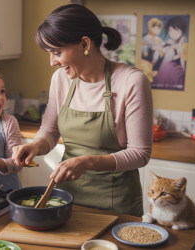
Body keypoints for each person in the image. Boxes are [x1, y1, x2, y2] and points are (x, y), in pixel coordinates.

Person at [12, 4, 153, 216]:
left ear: (84, 44)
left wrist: (87, 162)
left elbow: (140, 154)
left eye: (57, 52)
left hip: (116, 201)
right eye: (49, 53)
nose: (52, 62)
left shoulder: (131, 81)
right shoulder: (60, 79)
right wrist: (35, 146)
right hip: (65, 197)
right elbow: (50, 130)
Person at [152, 16, 187, 90]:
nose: (173, 34)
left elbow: (180, 57)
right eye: (170, 31)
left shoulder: (181, 43)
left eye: (176, 30)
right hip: (164, 68)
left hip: (173, 69)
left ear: (182, 30)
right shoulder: (170, 42)